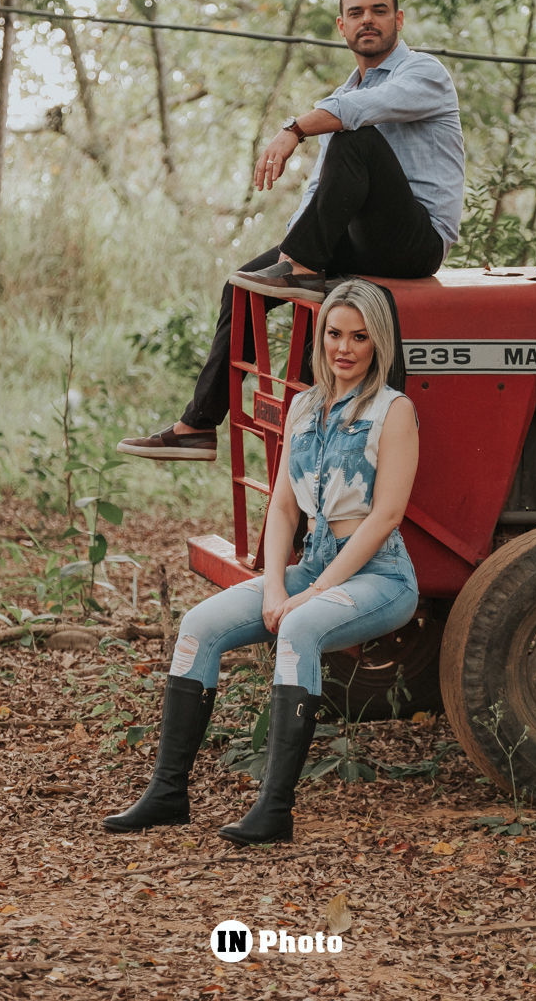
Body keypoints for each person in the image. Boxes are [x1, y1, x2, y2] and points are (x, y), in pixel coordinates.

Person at [103, 279, 420, 844]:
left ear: (380, 344)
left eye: (359, 337)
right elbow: (281, 506)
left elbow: (386, 516)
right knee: (199, 625)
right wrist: (275, 585)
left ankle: (274, 809)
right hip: (312, 564)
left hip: (378, 575)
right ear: (321, 337)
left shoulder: (394, 412)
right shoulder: (303, 405)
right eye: (334, 333)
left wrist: (310, 594)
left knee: (298, 627)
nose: (343, 348)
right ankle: (168, 793)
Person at [117, 0, 464, 462]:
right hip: (358, 238)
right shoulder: (341, 96)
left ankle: (303, 269)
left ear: (399, 19)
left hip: (415, 242)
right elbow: (323, 190)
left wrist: (293, 130)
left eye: (379, 11)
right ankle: (197, 424)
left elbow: (359, 113)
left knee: (354, 134)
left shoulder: (424, 74)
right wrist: (288, 251)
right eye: (356, 12)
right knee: (243, 285)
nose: (368, 20)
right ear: (341, 27)